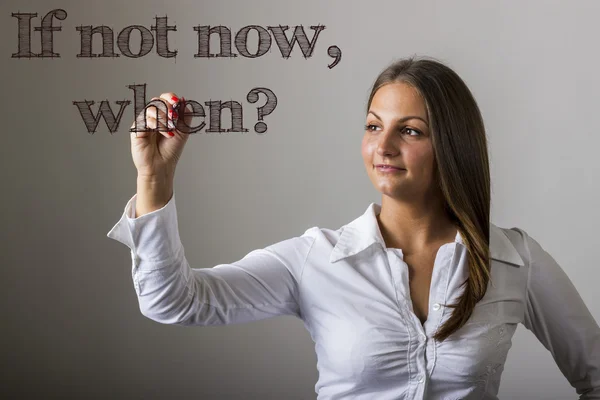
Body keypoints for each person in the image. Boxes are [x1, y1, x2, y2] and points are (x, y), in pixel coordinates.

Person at [107, 56, 600, 399]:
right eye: (372, 125)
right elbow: (173, 302)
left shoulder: (514, 260)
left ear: (452, 145)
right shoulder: (315, 259)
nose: (382, 146)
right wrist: (155, 177)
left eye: (409, 130)